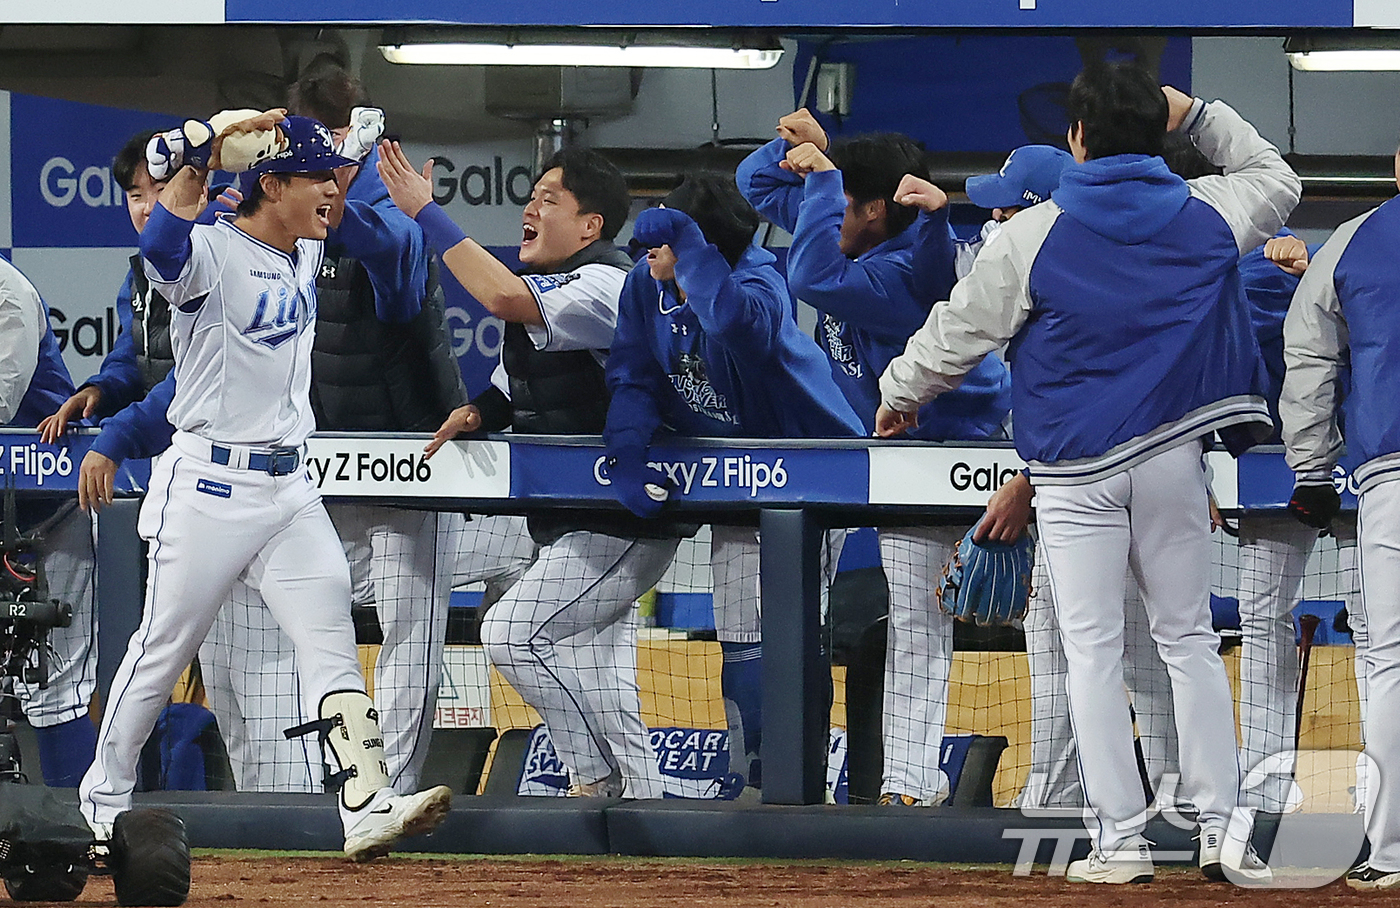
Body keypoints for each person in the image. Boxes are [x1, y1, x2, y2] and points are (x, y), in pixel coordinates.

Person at [876, 64, 1299, 884]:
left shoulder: (1034, 231)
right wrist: (1201, 113)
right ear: (1162, 134)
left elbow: (957, 331)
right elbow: (1275, 177)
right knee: (1189, 643)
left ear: (1075, 138)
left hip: (1072, 472)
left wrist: (901, 392)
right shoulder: (1206, 211)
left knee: (1095, 653)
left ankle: (1121, 843)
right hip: (1175, 460)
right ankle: (1221, 830)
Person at [75, 110, 451, 860]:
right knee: (160, 651)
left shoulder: (306, 246)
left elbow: (386, 238)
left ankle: (366, 802)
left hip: (288, 487)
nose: (327, 191)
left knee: (331, 644)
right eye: (311, 177)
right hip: (209, 486)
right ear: (269, 184)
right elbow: (160, 249)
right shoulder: (211, 250)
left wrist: (350, 161)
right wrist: (195, 164)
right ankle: (101, 802)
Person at [193, 57, 523, 797]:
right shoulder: (274, 185)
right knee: (304, 620)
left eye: (339, 133)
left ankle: (392, 785)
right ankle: (299, 790)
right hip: (316, 448)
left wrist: (345, 181)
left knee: (412, 623)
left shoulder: (380, 184)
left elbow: (399, 275)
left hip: (407, 440)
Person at [378, 140, 683, 798]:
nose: (530, 209)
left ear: (590, 225)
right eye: (531, 197)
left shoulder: (608, 283)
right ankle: (646, 808)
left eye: (550, 200)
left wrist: (429, 215)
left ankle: (594, 777)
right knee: (600, 677)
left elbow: (504, 300)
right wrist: (478, 413)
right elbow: (513, 388)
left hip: (624, 518)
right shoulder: (560, 286)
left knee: (511, 633)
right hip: (574, 520)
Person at [737, 112, 1014, 806]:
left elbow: (809, 275)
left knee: (1048, 626)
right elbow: (752, 180)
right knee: (917, 624)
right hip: (908, 459)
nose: (816, 211)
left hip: (977, 456)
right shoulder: (845, 218)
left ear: (868, 208)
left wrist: (827, 176)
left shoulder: (898, 275)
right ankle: (909, 786)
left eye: (834, 200)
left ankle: (1066, 789)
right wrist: (808, 152)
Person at [605, 173, 865, 796]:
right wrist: (628, 453)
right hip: (737, 481)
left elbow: (736, 328)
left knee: (793, 634)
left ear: (703, 243)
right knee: (742, 639)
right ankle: (748, 778)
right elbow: (634, 372)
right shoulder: (647, 282)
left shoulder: (757, 282)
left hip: (811, 473)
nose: (650, 252)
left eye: (671, 237)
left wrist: (692, 252)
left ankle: (799, 783)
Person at [1278, 144, 1400, 890]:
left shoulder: (1356, 238)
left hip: (1393, 468)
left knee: (1391, 659)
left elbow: (1310, 355)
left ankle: (1392, 850)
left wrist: (1312, 470)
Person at [0, 256, 98, 789]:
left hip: (52, 508)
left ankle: (79, 833)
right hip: (4, 515)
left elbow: (0, 400)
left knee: (58, 683)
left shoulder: (7, 293)